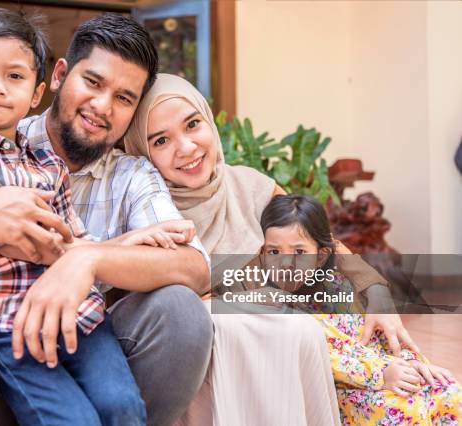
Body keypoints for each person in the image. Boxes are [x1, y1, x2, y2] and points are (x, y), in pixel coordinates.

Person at [0, 14, 212, 426]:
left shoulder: (115, 172)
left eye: (124, 98)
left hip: (78, 342)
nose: (102, 107)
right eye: (94, 83)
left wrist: (89, 260)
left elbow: (195, 265)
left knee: (180, 312)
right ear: (61, 75)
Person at [124, 73, 422, 425]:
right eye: (160, 140)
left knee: (338, 304)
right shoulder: (145, 209)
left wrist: (378, 294)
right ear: (141, 152)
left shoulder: (250, 185)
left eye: (193, 124)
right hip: (229, 350)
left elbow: (322, 245)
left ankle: (410, 390)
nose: (186, 147)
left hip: (296, 329)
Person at [260, 194, 461, 425]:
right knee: (403, 410)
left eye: (299, 253)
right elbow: (326, 361)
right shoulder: (274, 306)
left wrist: (415, 364)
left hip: (383, 372)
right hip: (345, 389)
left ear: (320, 256)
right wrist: (381, 375)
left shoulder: (338, 286)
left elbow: (377, 337)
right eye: (274, 252)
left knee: (448, 391)